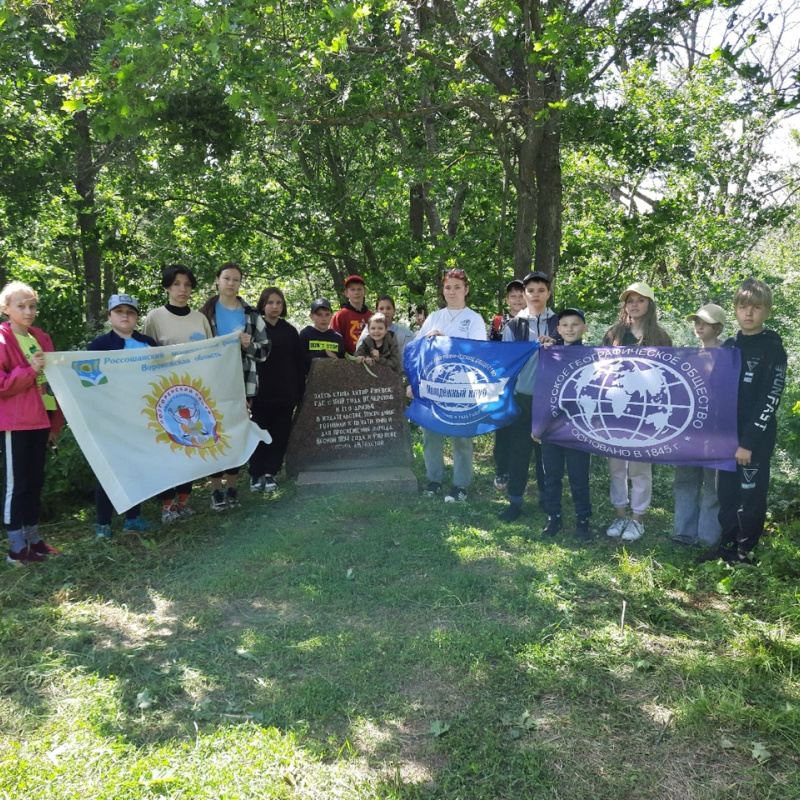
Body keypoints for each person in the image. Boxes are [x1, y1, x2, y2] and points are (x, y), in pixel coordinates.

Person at [704, 279, 786, 564]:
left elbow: (769, 399)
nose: (748, 313)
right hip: (726, 437)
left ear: (767, 312)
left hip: (754, 440)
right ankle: (725, 546)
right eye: (742, 307)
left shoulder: (772, 348)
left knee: (749, 496)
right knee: (726, 494)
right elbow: (715, 390)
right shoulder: (729, 345)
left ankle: (743, 551)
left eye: (756, 308)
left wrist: (748, 442)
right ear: (735, 310)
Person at [142, 264, 213, 522]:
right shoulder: (154, 317)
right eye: (176, 285)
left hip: (195, 395)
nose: (182, 290)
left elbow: (211, 353)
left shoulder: (200, 319)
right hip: (165, 396)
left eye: (187, 285)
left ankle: (183, 502)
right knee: (169, 449)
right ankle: (167, 506)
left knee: (191, 446)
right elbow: (146, 355)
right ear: (167, 288)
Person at [602, 281, 672, 542]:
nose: (634, 304)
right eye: (630, 300)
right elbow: (601, 369)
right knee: (617, 466)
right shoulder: (614, 334)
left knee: (640, 469)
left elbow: (668, 375)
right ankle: (620, 515)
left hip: (646, 411)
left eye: (640, 300)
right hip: (616, 410)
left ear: (649, 304)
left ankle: (637, 519)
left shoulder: (660, 337)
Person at [0, 281, 64, 564]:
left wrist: (55, 424)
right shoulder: (2, 340)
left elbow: (55, 383)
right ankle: (16, 548)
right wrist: (30, 370)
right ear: (6, 309)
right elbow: (2, 385)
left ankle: (34, 540)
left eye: (32, 306)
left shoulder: (41, 338)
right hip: (16, 422)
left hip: (41, 419)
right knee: (17, 485)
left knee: (35, 481)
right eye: (21, 306)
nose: (28, 311)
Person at [87, 294, 159, 540]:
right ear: (109, 316)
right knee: (108, 470)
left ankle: (133, 519)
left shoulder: (148, 343)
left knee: (137, 468)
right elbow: (86, 381)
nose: (125, 315)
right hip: (111, 420)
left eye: (130, 311)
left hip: (142, 417)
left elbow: (163, 374)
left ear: (137, 316)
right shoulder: (98, 346)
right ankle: (103, 525)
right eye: (119, 311)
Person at [199, 262, 270, 511]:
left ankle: (232, 486)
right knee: (213, 435)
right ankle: (216, 490)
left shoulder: (250, 314)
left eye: (236, 279)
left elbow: (264, 351)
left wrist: (249, 345)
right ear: (217, 281)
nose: (231, 283)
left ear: (240, 283)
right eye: (226, 278)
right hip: (211, 385)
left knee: (235, 435)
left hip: (242, 384)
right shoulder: (205, 314)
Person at [415, 268, 486, 502]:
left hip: (462, 388)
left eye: (457, 287)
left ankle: (461, 485)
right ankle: (434, 480)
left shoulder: (474, 319)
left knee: (461, 438)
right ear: (442, 291)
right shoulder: (434, 317)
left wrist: (445, 340)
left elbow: (477, 352)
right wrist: (415, 383)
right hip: (434, 387)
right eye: (448, 287)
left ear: (466, 290)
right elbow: (417, 350)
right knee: (431, 436)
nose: (452, 291)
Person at [497, 271, 561, 522]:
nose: (535, 295)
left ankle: (549, 499)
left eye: (541, 290)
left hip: (551, 398)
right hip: (522, 396)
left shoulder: (560, 321)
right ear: (524, 294)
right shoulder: (514, 325)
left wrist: (555, 346)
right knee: (519, 451)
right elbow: (507, 362)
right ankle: (515, 501)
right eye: (530, 291)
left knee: (547, 453)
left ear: (549, 292)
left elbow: (573, 353)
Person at [672, 304, 726, 548]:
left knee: (713, 485)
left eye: (704, 322)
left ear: (718, 328)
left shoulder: (731, 357)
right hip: (689, 431)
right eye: (696, 321)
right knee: (685, 480)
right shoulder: (689, 356)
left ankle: (706, 537)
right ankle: (682, 533)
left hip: (717, 433)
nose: (698, 326)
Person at [538, 308, 593, 539]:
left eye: (575, 324)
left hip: (579, 426)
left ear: (584, 328)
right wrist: (538, 425)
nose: (570, 329)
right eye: (565, 325)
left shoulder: (594, 356)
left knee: (579, 476)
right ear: (558, 329)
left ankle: (583, 520)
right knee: (552, 475)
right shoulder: (550, 354)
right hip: (552, 425)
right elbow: (541, 390)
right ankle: (554, 518)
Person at [249, 287, 305, 493]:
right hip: (261, 394)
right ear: (263, 305)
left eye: (279, 303)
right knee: (259, 433)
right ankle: (255, 473)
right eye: (270, 302)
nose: (275, 306)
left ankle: (270, 472)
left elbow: (298, 363)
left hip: (285, 393)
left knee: (280, 435)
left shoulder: (289, 331)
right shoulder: (254, 329)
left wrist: (300, 392)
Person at [491, 279, 526, 492]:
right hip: (503, 383)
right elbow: (491, 351)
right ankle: (501, 470)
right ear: (507, 299)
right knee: (502, 428)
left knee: (521, 429)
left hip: (526, 382)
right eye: (513, 296)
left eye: (521, 295)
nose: (517, 299)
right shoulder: (498, 321)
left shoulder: (533, 321)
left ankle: (518, 472)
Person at [356, 295, 415, 360]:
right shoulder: (369, 329)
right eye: (381, 309)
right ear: (376, 311)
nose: (385, 311)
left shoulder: (403, 332)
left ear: (394, 310)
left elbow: (417, 343)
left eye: (388, 308)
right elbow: (359, 351)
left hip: (395, 369)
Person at [299, 298, 345, 373]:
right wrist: (324, 353)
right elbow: (300, 361)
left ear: (331, 316)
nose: (324, 319)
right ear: (311, 316)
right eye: (319, 315)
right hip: (309, 380)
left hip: (333, 379)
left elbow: (342, 362)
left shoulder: (337, 337)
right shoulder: (305, 334)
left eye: (327, 314)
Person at [331, 274, 372, 355]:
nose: (356, 292)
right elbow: (334, 339)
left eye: (359, 289)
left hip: (368, 358)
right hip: (347, 359)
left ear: (365, 292)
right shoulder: (341, 315)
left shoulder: (371, 316)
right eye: (352, 290)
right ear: (346, 293)